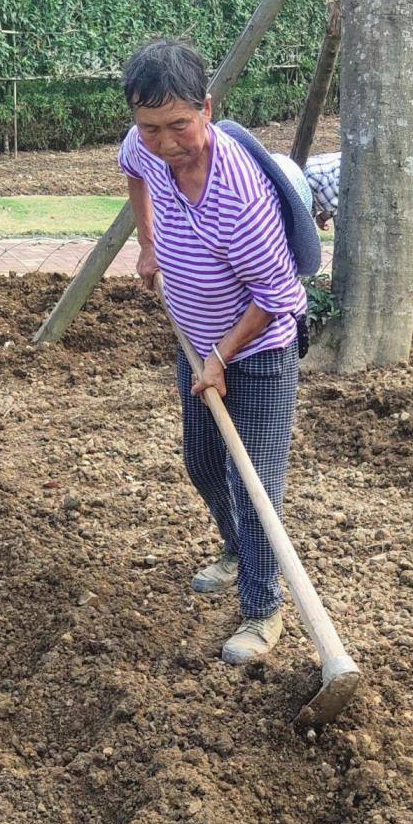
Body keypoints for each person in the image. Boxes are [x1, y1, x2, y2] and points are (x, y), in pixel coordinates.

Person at [118, 37, 310, 665]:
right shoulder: (145, 148)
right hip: (196, 340)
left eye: (180, 125)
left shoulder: (240, 194)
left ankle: (263, 609)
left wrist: (221, 359)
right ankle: (233, 550)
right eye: (151, 127)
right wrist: (147, 244)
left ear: (206, 107)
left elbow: (275, 295)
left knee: (254, 485)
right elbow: (132, 169)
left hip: (257, 351)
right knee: (202, 462)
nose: (167, 142)